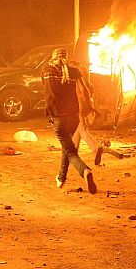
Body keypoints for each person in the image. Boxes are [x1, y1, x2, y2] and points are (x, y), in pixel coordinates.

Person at [42, 47, 98, 193]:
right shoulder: (73, 72)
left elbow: (49, 97)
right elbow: (86, 87)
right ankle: (61, 178)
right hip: (73, 117)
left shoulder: (48, 71)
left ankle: (85, 171)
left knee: (71, 152)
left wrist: (50, 115)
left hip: (58, 117)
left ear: (53, 57)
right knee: (67, 148)